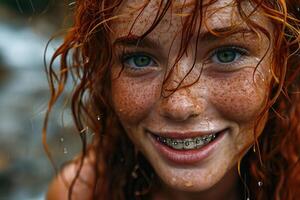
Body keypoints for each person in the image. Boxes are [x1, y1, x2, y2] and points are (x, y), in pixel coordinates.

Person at [44, 0, 300, 199]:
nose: (179, 106)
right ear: (104, 76)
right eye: (140, 60)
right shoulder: (80, 193)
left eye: (226, 54)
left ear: (281, 62)